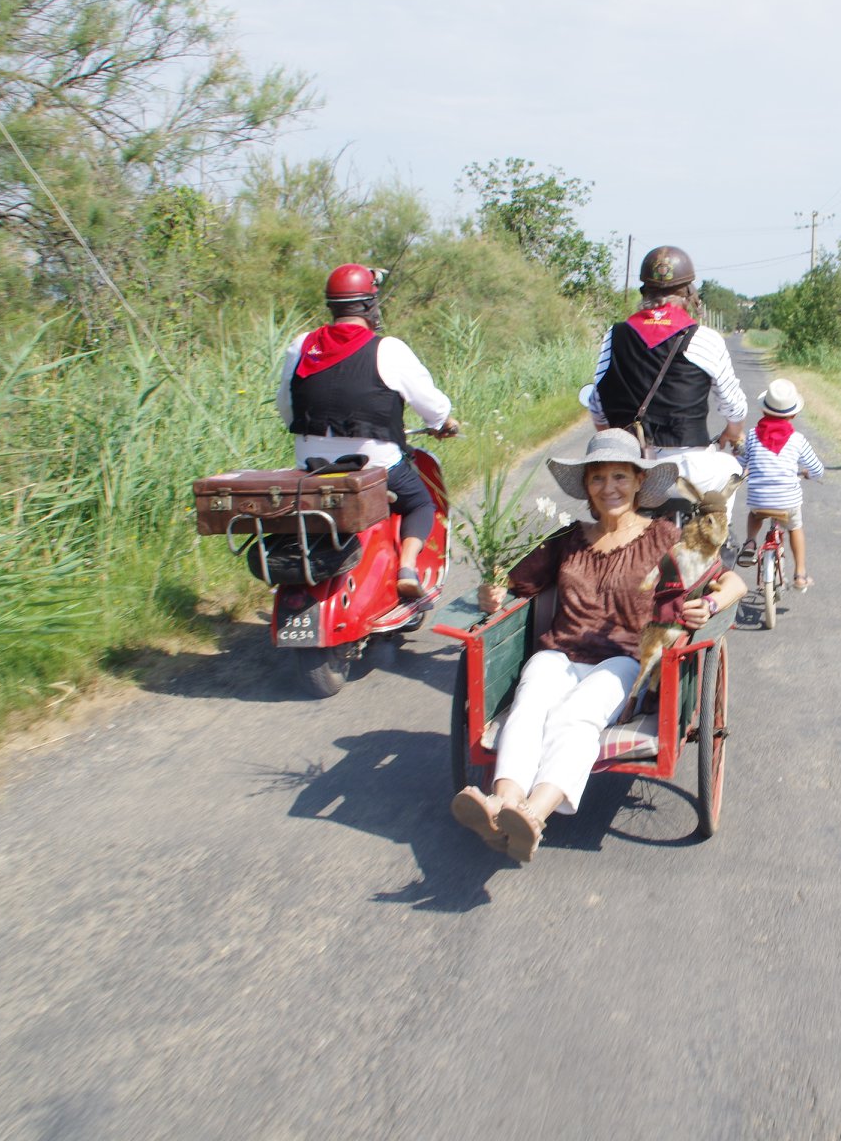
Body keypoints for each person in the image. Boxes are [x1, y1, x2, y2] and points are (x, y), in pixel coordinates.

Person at [451, 429, 748, 862]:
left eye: (620, 477)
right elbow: (514, 581)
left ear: (638, 483)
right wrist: (491, 591)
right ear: (587, 487)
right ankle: (503, 802)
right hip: (559, 652)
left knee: (576, 715)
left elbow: (731, 581)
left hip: (623, 660)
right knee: (530, 702)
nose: (609, 488)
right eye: (598, 479)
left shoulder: (664, 538)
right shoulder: (569, 539)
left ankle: (533, 815)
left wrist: (712, 603)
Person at [276, 264, 459, 601]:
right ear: (369, 305)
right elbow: (433, 407)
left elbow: (285, 407)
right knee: (420, 502)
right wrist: (443, 423)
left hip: (311, 467)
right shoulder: (388, 349)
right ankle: (406, 567)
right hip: (375, 468)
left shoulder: (301, 345)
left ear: (332, 306)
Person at [585, 245, 748, 503]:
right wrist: (733, 429)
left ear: (644, 293)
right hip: (689, 469)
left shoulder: (614, 335)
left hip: (630, 468)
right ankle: (715, 542)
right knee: (731, 469)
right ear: (688, 294)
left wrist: (614, 440)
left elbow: (596, 403)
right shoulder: (705, 338)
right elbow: (733, 403)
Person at [735, 378, 825, 591]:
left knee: (755, 513)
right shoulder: (797, 439)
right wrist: (809, 474)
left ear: (764, 411)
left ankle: (749, 541)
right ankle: (800, 574)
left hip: (759, 499)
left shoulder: (752, 436)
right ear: (793, 414)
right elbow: (817, 469)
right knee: (795, 527)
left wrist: (744, 471)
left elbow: (740, 465)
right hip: (787, 501)